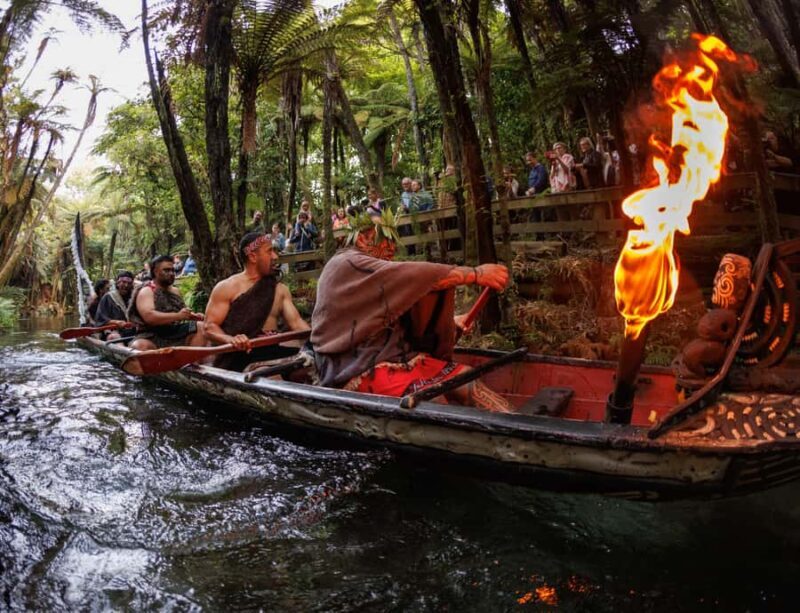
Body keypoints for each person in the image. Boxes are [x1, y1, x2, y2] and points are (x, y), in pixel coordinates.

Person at [310, 217, 512, 412]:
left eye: (394, 242)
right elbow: (412, 275)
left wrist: (449, 323)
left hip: (396, 358)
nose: (392, 248)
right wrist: (475, 274)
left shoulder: (372, 272)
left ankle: (518, 424)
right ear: (362, 238)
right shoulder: (346, 263)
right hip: (358, 367)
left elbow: (395, 310)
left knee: (466, 378)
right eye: (386, 240)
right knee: (433, 399)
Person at [204, 231, 310, 371]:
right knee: (272, 376)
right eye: (269, 251)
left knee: (310, 367)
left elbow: (297, 323)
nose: (275, 256)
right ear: (253, 256)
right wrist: (232, 340)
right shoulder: (226, 288)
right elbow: (209, 327)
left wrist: (317, 342)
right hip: (241, 356)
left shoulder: (280, 290)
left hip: (273, 354)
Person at [128, 255, 206, 350]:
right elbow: (150, 317)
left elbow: (182, 312)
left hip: (173, 332)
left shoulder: (175, 291)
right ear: (155, 272)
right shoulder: (147, 291)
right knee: (139, 346)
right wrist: (178, 316)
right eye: (166, 270)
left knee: (200, 326)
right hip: (150, 335)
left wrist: (193, 316)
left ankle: (193, 362)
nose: (172, 273)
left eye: (173, 270)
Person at [94, 271, 136, 341]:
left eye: (129, 283)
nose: (126, 285)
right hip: (113, 330)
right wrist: (116, 322)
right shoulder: (108, 297)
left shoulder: (135, 297)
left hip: (133, 331)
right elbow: (100, 319)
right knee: (114, 337)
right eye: (123, 282)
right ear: (118, 283)